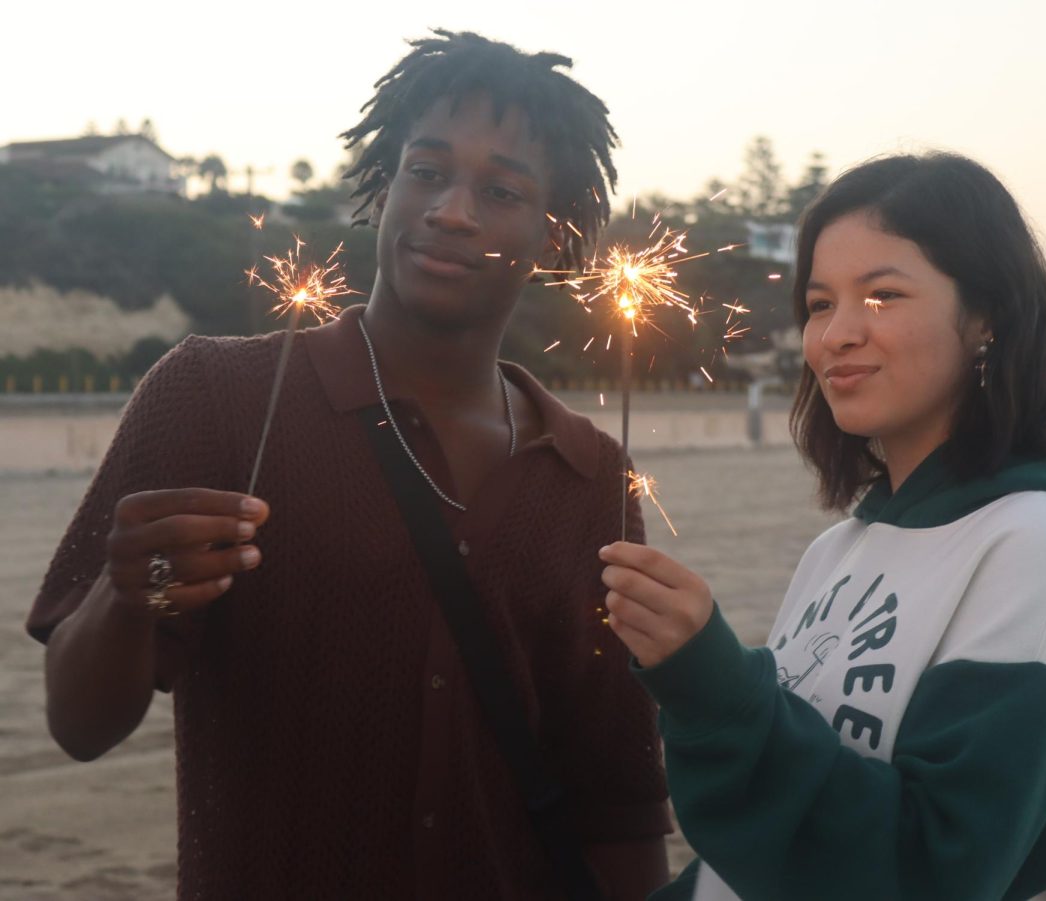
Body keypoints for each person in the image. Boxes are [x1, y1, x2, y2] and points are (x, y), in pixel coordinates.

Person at [27, 30, 670, 900]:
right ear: (384, 182)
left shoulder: (590, 477)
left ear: (555, 233)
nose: (452, 209)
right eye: (427, 170)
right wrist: (125, 592)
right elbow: (79, 725)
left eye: (502, 188)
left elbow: (616, 801)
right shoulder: (214, 395)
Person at [599, 153, 1046, 900]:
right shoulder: (840, 550)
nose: (837, 335)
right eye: (821, 302)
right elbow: (777, 850)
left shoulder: (1039, 542)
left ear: (987, 316)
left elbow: (935, 864)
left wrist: (717, 689)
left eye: (884, 295)